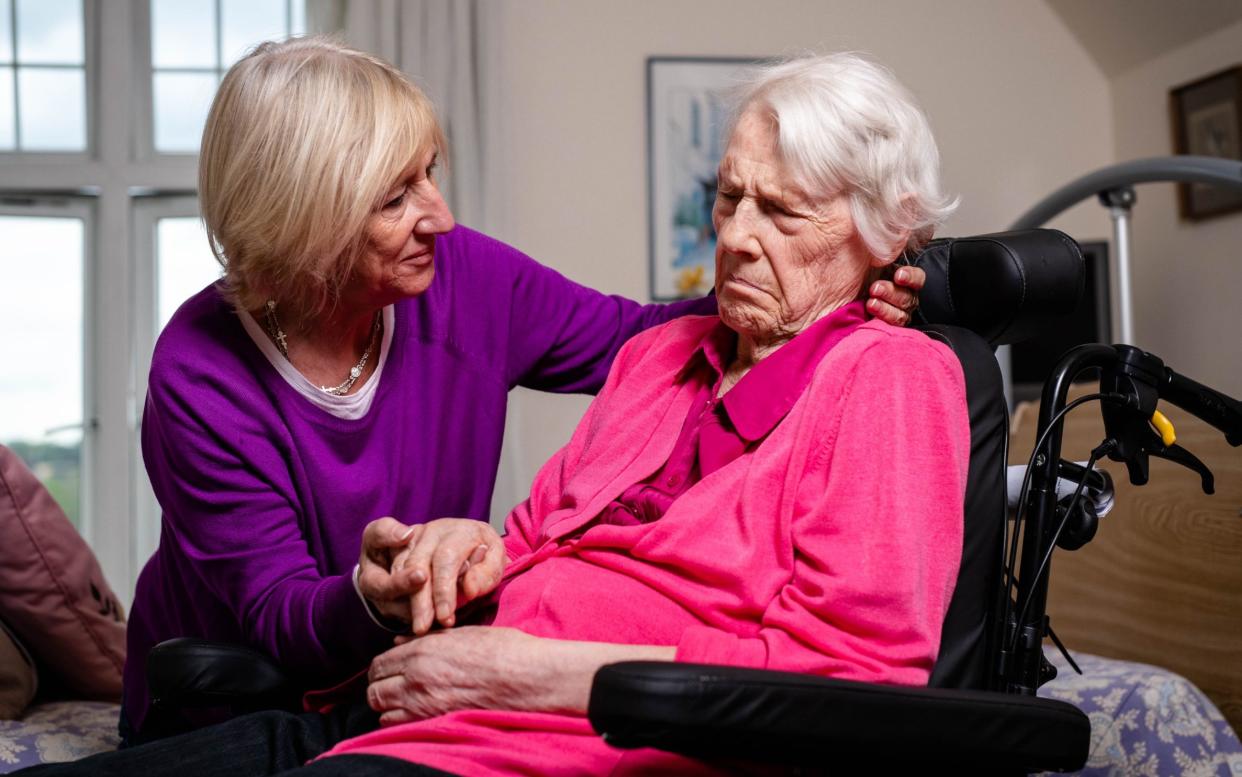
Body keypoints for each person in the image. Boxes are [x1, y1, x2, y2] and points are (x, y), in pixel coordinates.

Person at [29, 50, 966, 777]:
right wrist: (465, 561)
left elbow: (853, 673)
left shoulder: (883, 376)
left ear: (881, 227)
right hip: (339, 691)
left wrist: (861, 302)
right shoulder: (203, 367)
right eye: (725, 199)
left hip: (521, 725)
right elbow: (515, 545)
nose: (733, 237)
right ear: (308, 224)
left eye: (782, 213)